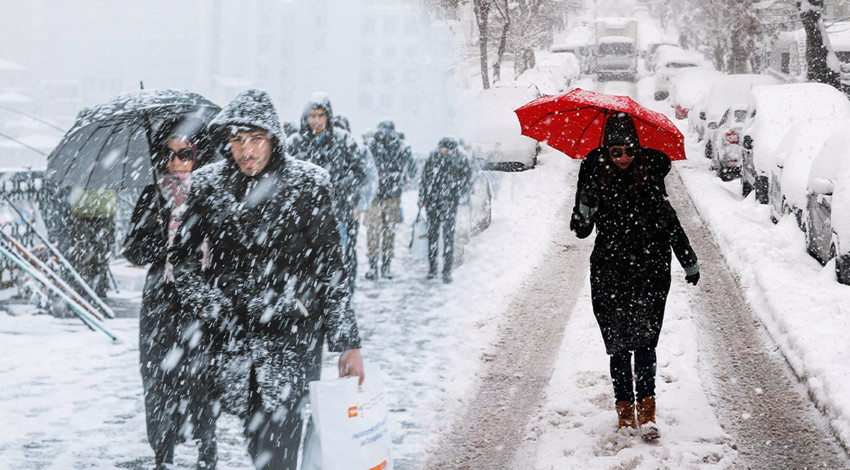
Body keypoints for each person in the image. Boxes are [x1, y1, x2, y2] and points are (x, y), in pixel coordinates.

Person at [170, 89, 364, 470]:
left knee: (281, 441)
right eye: (237, 140)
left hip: (291, 335)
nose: (246, 151)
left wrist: (348, 343)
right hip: (233, 339)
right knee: (256, 440)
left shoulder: (309, 185)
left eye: (256, 139)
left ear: (274, 139)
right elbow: (183, 261)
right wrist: (214, 307)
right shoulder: (210, 185)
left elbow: (331, 270)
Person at [569, 112, 700, 441]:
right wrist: (583, 210)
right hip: (609, 271)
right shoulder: (594, 178)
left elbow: (670, 223)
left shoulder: (650, 177)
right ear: (607, 152)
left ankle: (647, 412)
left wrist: (689, 260)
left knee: (644, 343)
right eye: (616, 152)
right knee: (617, 346)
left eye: (629, 150)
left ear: (637, 149)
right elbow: (582, 232)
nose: (624, 157)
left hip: (649, 270)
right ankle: (624, 412)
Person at [122, 124, 218, 470]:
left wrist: (191, 253)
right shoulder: (152, 195)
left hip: (199, 298)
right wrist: (162, 245)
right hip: (160, 300)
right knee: (159, 377)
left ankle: (208, 450)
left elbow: (224, 243)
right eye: (170, 154)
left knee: (201, 376)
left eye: (185, 154)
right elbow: (131, 248)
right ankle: (163, 453)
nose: (177, 162)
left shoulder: (210, 191)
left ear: (197, 155)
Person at [287, 94, 369, 293]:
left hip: (339, 209)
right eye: (312, 116)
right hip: (306, 212)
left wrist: (339, 186)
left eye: (321, 115)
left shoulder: (343, 140)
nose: (316, 121)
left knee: (342, 253)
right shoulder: (295, 143)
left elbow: (360, 172)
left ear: (328, 117)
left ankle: (343, 291)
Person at [418, 136, 472, 284]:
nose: (444, 151)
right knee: (432, 237)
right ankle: (432, 268)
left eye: (447, 150)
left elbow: (467, 178)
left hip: (449, 203)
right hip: (432, 203)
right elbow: (424, 178)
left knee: (448, 238)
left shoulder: (460, 159)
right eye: (442, 149)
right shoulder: (433, 157)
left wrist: (458, 192)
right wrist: (422, 198)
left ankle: (447, 271)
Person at [365, 120, 414, 280]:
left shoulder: (401, 147)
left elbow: (411, 171)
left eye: (384, 133)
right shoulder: (371, 145)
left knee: (389, 232)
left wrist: (394, 177)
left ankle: (386, 267)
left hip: (392, 196)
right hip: (374, 196)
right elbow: (364, 167)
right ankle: (373, 266)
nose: (381, 136)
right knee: (373, 231)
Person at [66, 186, 116, 297]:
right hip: (103, 210)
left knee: (81, 255)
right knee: (100, 255)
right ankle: (97, 287)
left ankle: (83, 287)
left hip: (81, 210)